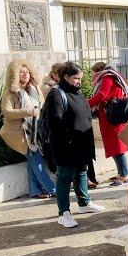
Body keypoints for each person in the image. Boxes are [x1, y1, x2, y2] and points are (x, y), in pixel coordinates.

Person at [46, 61, 104, 228]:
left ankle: (84, 203)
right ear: (65, 77)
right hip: (67, 146)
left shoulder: (76, 91)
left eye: (80, 78)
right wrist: (67, 140)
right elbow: (55, 121)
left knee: (81, 172)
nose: (79, 81)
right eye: (76, 78)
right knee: (65, 177)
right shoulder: (57, 94)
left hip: (82, 143)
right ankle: (63, 213)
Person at [0, 59, 56, 199]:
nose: (25, 74)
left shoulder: (34, 89)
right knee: (36, 159)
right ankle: (52, 188)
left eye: (27, 72)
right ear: (15, 75)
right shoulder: (10, 93)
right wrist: (28, 112)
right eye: (21, 72)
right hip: (21, 133)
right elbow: (6, 112)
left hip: (36, 131)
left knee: (33, 160)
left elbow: (42, 106)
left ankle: (35, 190)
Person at [87, 62, 128, 186]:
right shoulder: (115, 75)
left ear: (98, 71)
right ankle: (122, 173)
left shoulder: (107, 77)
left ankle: (124, 176)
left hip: (110, 116)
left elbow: (102, 95)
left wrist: (86, 104)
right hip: (114, 115)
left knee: (116, 147)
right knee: (117, 145)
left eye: (93, 73)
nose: (93, 76)